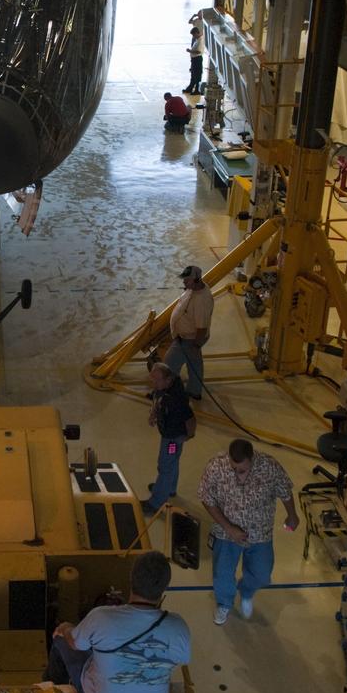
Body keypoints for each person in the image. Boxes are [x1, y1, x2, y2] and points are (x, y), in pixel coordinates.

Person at [44, 551, 191, 693]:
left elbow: (75, 643)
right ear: (164, 588)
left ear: (131, 579)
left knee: (61, 640)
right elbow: (180, 659)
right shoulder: (179, 627)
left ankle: (51, 688)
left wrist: (66, 627)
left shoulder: (101, 617)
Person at [198, 439, 299, 625]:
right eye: (234, 469)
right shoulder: (216, 467)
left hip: (260, 532)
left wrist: (292, 515)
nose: (237, 475)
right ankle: (224, 604)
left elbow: (285, 490)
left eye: (242, 470)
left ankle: (246, 592)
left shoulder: (269, 466)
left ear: (252, 458)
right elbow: (206, 498)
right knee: (222, 573)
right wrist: (229, 528)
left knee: (262, 573)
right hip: (225, 533)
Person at [141, 363, 195, 514]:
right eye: (153, 380)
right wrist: (153, 415)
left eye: (157, 380)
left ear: (168, 379)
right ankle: (170, 488)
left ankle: (156, 503)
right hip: (170, 434)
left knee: (165, 466)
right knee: (173, 461)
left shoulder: (177, 399)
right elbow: (158, 401)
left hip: (172, 439)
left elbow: (191, 419)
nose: (154, 383)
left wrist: (189, 436)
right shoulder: (163, 389)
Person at [165, 265, 214, 399]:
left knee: (169, 365)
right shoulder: (194, 289)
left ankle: (165, 392)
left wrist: (195, 346)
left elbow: (202, 328)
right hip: (189, 337)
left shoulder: (201, 301)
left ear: (197, 280)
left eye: (187, 280)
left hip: (190, 339)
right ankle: (194, 391)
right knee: (195, 364)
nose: (184, 282)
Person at [183, 26, 204, 94]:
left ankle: (197, 90)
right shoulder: (197, 39)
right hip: (194, 60)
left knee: (197, 76)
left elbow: (199, 52)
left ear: (197, 33)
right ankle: (190, 88)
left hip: (197, 60)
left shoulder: (200, 41)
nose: (193, 36)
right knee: (193, 75)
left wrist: (190, 51)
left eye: (193, 34)